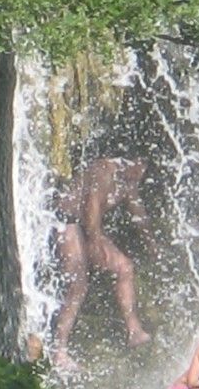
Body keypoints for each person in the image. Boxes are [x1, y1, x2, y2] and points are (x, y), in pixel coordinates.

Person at [52, 157, 155, 367]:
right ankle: (58, 350)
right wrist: (96, 240)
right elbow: (92, 205)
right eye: (140, 168)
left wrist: (151, 241)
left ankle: (134, 331)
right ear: (132, 160)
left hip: (82, 227)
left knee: (124, 268)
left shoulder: (128, 181)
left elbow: (138, 212)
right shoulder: (104, 169)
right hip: (64, 219)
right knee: (77, 284)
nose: (140, 176)